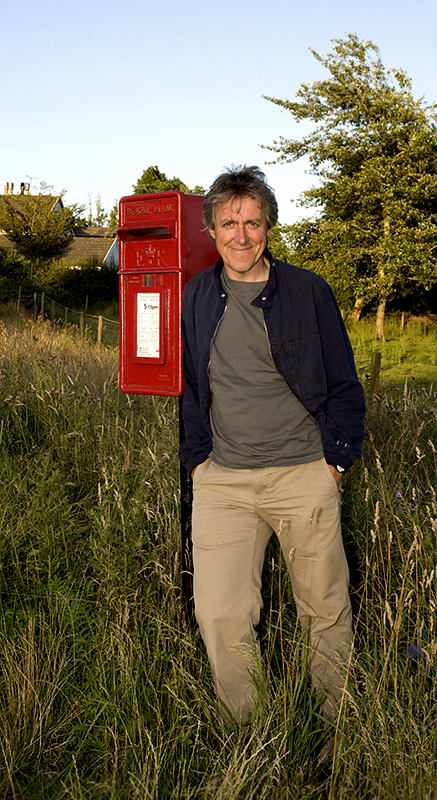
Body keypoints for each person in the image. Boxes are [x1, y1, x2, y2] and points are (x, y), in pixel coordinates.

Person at [178, 166, 365, 744]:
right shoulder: (196, 295)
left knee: (325, 610)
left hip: (301, 475)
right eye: (229, 222)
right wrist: (198, 464)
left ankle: (337, 733)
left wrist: (332, 462)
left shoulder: (308, 291)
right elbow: (187, 385)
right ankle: (252, 737)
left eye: (253, 222)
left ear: (269, 228)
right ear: (211, 228)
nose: (241, 234)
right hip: (223, 483)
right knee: (220, 613)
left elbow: (343, 383)